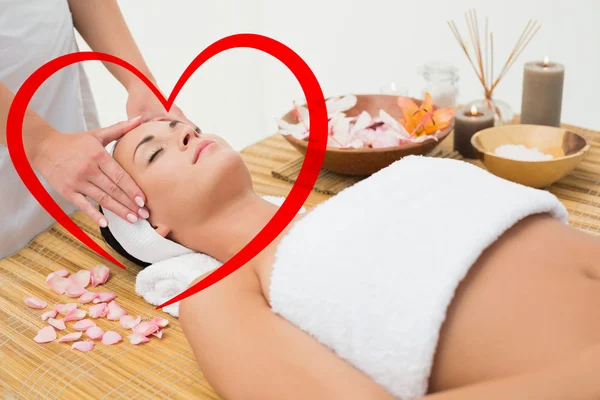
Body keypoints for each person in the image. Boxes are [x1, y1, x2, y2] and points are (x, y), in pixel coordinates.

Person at [98, 119, 600, 400]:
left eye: (184, 125)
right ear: (152, 226)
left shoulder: (373, 194)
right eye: (155, 152)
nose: (185, 133)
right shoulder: (219, 299)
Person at [0, 0, 196, 259]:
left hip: (58, 101)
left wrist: (139, 81)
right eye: (153, 153)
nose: (189, 134)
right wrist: (42, 143)